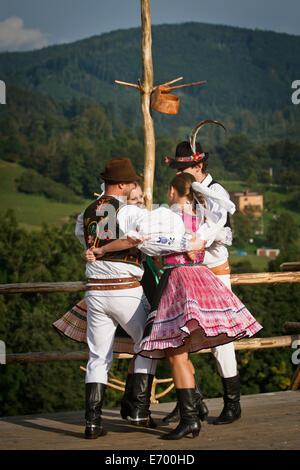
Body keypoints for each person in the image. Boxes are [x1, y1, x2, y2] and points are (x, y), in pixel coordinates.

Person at [74, 157, 206, 438]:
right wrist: (186, 243)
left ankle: (93, 423)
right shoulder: (128, 212)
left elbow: (82, 239)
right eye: (131, 181)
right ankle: (138, 412)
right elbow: (147, 241)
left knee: (98, 357)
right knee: (149, 345)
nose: (134, 184)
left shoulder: (85, 212)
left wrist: (97, 250)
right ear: (122, 184)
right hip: (124, 289)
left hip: (94, 290)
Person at [136, 173, 262, 440]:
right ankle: (192, 408)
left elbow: (145, 244)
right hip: (199, 277)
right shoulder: (202, 218)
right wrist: (194, 242)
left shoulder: (167, 216)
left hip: (177, 279)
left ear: (172, 191)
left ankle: (190, 416)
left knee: (176, 351)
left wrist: (178, 244)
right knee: (179, 350)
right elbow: (217, 227)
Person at [163, 126, 244, 426]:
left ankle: (232, 404)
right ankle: (190, 400)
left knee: (221, 340)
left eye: (185, 168)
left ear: (198, 166)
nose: (180, 173)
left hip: (213, 273)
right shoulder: (185, 190)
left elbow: (215, 225)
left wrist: (198, 240)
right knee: (180, 335)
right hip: (187, 273)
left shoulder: (217, 193)